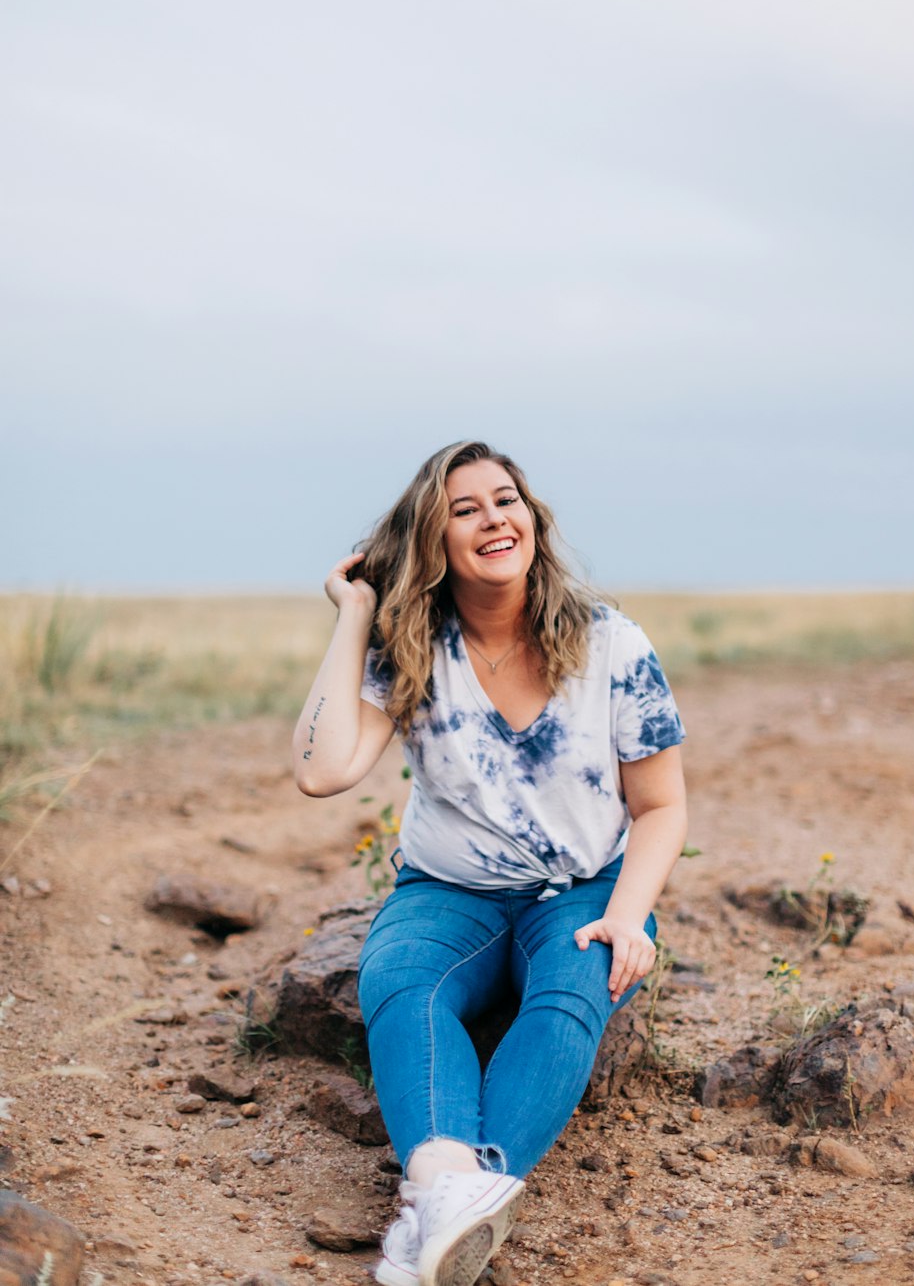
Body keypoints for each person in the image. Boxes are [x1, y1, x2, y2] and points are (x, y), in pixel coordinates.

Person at [293, 440, 688, 1286]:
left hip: (584, 889)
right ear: (435, 542)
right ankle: (448, 1198)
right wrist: (354, 613)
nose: (492, 519)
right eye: (463, 510)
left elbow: (661, 807)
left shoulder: (612, 643)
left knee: (572, 998)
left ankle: (435, 1212)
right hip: (448, 891)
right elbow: (321, 771)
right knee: (403, 988)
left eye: (504, 500)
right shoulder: (409, 645)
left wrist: (625, 915)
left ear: (532, 519)